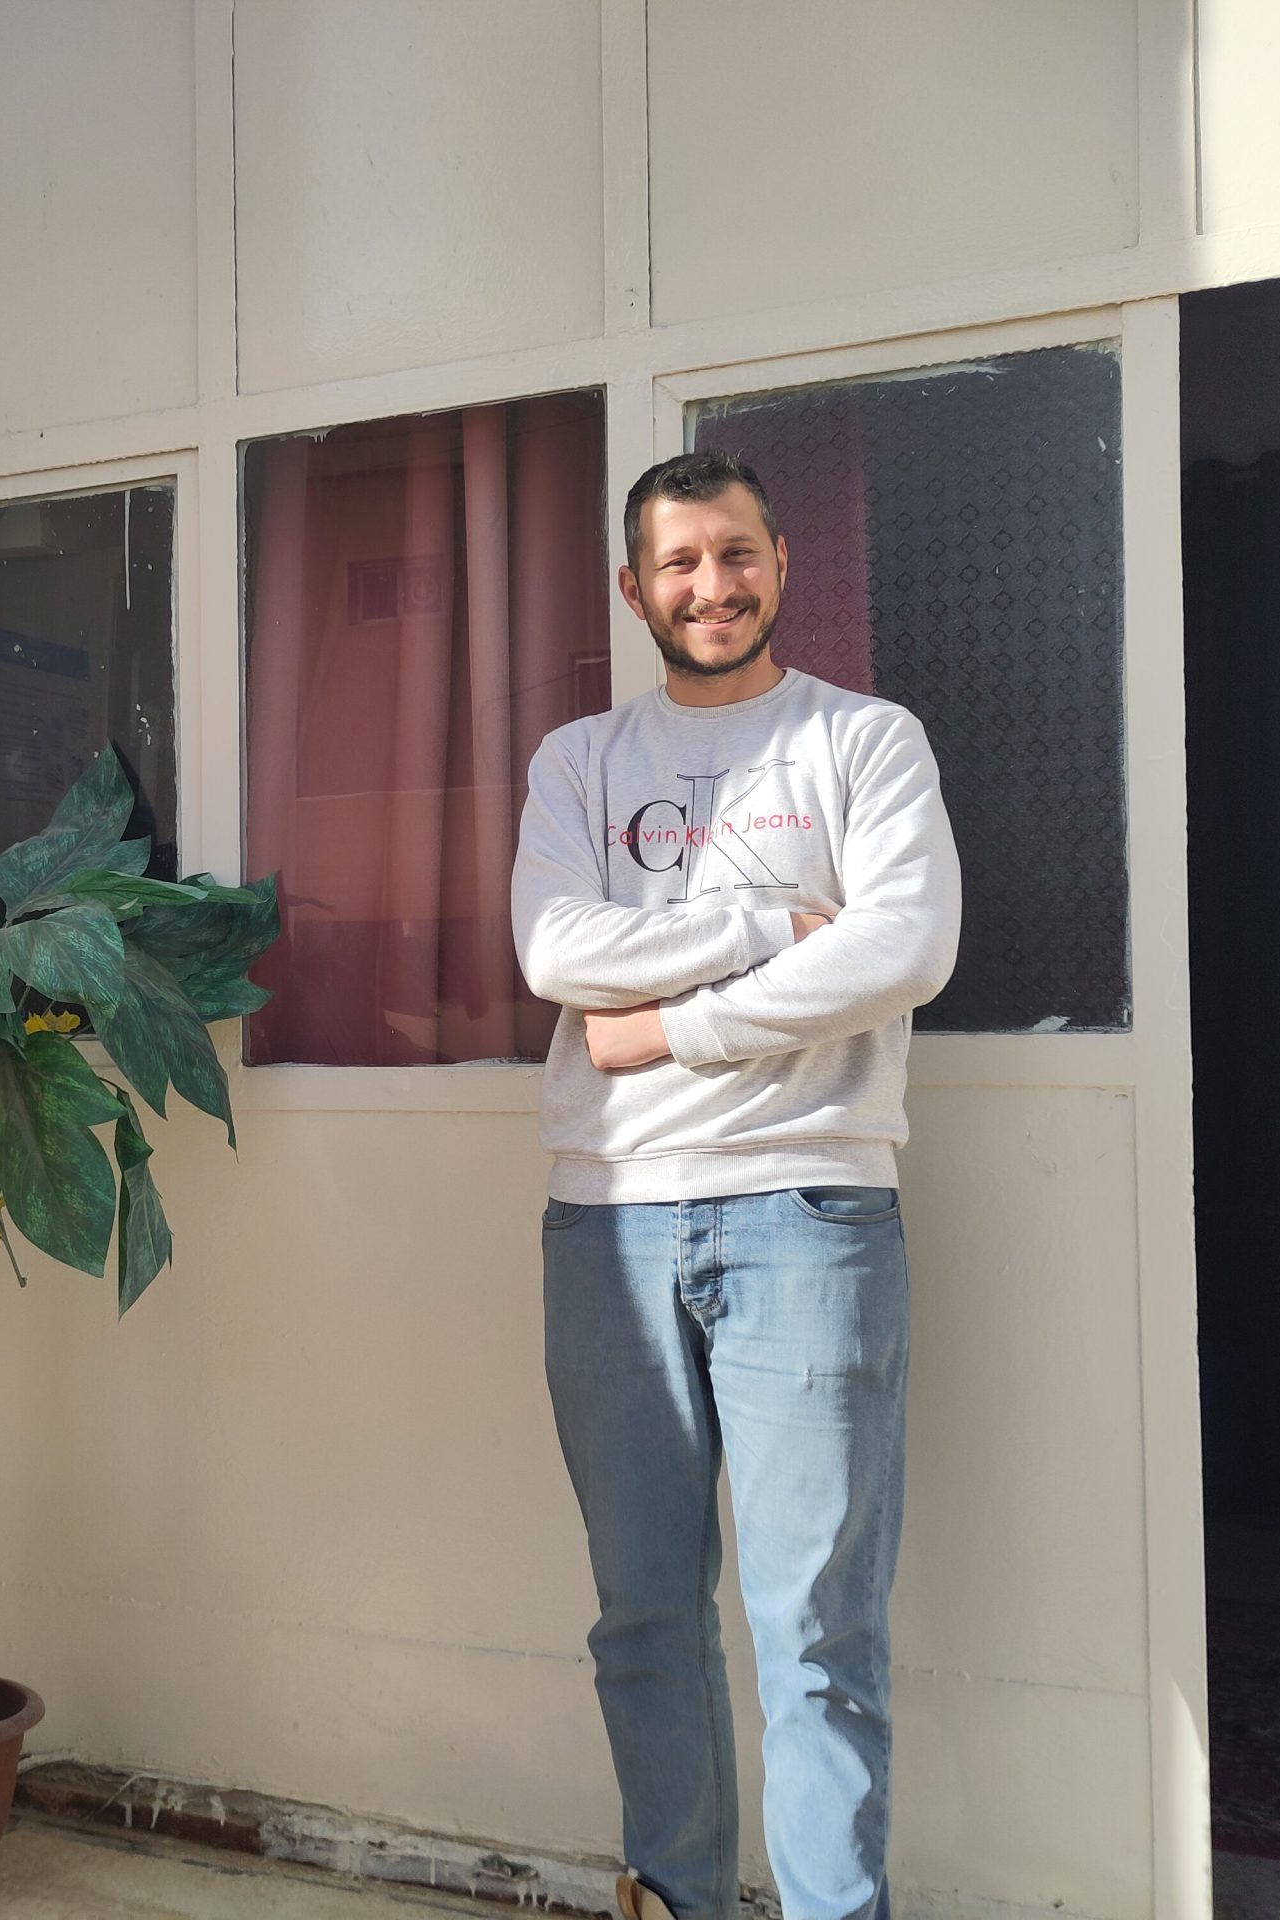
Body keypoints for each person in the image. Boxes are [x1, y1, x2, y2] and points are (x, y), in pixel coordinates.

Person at [511, 450, 961, 1920]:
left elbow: (904, 948)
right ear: (634, 588)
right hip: (609, 1220)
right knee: (643, 1620)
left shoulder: (864, 740)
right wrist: (769, 924)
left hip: (810, 1210)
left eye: (737, 553)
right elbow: (557, 952)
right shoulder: (578, 762)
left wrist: (666, 1030)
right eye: (681, 562)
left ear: (781, 563)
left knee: (817, 1635)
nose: (713, 585)